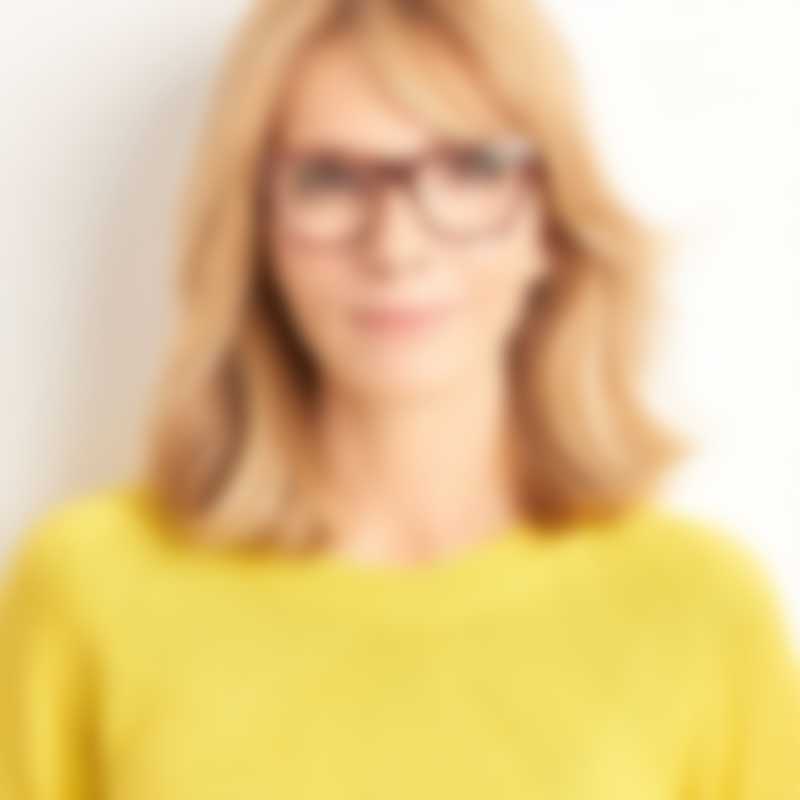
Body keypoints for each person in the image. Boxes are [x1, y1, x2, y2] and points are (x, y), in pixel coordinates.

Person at [1, 0, 798, 797]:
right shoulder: (86, 591)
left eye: (471, 170)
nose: (396, 245)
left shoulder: (703, 612)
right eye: (329, 178)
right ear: (256, 227)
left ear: (549, 221)